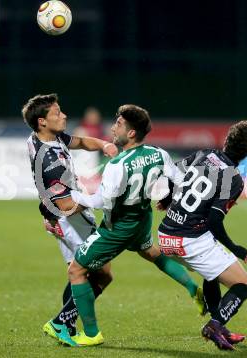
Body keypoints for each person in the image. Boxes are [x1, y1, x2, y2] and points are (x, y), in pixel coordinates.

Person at [68, 104, 204, 346]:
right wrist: (168, 199)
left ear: (131, 133)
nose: (112, 127)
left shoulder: (117, 165)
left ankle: (91, 334)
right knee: (151, 252)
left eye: (118, 124)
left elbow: (102, 202)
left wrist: (76, 198)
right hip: (142, 217)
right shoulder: (159, 153)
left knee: (76, 271)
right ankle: (193, 287)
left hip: (118, 226)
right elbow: (180, 180)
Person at [21, 93, 119, 346]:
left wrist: (103, 144)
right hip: (69, 220)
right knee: (101, 274)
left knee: (78, 271)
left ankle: (65, 324)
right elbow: (65, 205)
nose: (63, 115)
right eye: (57, 113)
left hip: (59, 218)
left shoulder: (44, 138)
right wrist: (102, 201)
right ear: (42, 121)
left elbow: (80, 141)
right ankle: (60, 322)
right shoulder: (51, 162)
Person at [157, 120, 247, 350]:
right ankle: (215, 324)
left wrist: (166, 200)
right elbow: (214, 219)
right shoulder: (233, 178)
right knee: (244, 285)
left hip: (165, 235)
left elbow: (171, 173)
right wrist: (235, 248)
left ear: (226, 140)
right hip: (190, 240)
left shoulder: (203, 154)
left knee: (211, 274)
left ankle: (221, 328)